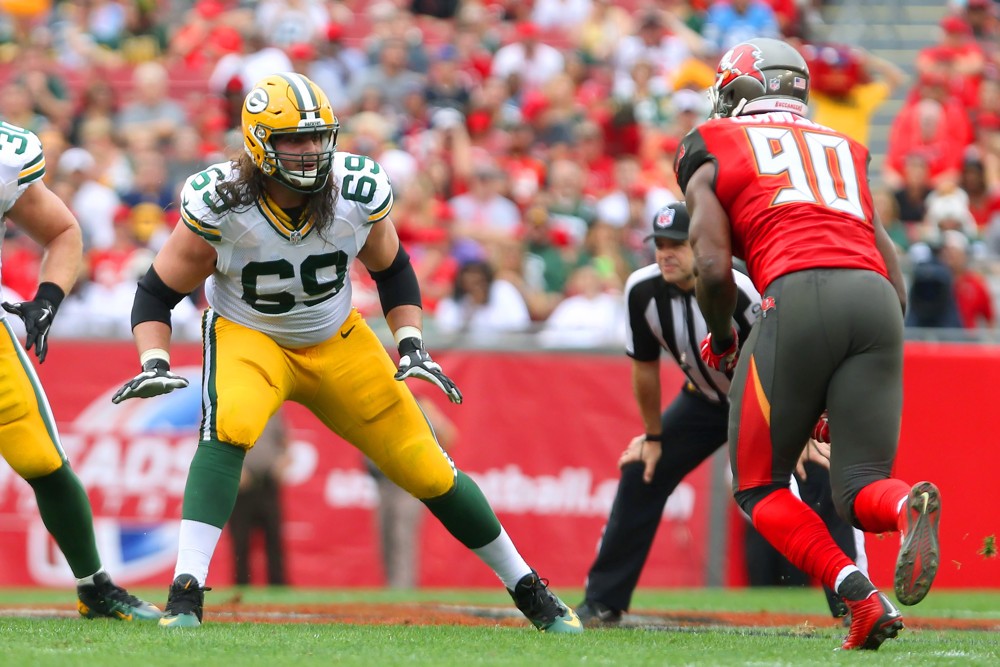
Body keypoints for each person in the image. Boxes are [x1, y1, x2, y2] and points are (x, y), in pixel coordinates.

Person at [110, 73, 581, 634]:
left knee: (427, 464)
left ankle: (530, 591)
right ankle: (185, 595)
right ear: (259, 143)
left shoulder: (356, 190)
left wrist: (410, 343)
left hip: (336, 338)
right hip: (249, 336)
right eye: (294, 140)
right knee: (229, 426)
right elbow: (156, 291)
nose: (311, 152)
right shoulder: (224, 203)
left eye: (318, 137)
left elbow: (394, 268)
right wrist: (154, 359)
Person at [676, 38, 943, 651]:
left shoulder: (711, 142)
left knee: (758, 483)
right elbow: (891, 271)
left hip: (798, 293)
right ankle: (906, 510)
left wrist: (722, 337)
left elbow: (712, 268)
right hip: (877, 303)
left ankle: (859, 598)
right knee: (860, 488)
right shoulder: (844, 148)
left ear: (739, 89)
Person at [576, 203, 857, 626]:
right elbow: (644, 367)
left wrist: (798, 427)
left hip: (765, 401)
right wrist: (653, 437)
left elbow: (785, 358)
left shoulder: (738, 288)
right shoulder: (642, 290)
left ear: (702, 246)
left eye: (678, 246)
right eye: (660, 245)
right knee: (643, 470)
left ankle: (852, 603)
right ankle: (603, 600)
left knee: (814, 476)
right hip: (704, 399)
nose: (666, 254)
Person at [0, 119, 160, 622]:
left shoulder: (7, 157)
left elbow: (64, 231)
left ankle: (95, 586)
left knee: (43, 460)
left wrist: (47, 299)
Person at [229, 409, 290, 586]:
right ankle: (241, 584)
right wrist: (233, 470)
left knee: (274, 537)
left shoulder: (271, 412)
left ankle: (278, 585)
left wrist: (282, 461)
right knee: (240, 540)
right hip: (241, 485)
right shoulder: (230, 411)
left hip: (268, 483)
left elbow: (285, 443)